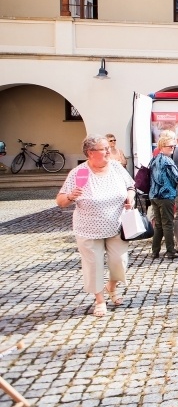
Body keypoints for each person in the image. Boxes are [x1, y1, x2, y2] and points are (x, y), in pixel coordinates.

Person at [56, 134, 135, 317]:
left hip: (117, 226)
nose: (109, 151)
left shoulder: (116, 167)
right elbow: (60, 201)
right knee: (93, 266)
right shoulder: (79, 173)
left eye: (108, 147)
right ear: (90, 153)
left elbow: (131, 186)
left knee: (120, 263)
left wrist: (129, 197)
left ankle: (111, 286)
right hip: (88, 229)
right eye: (104, 148)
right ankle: (100, 299)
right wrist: (70, 197)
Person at [149, 131, 178, 259]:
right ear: (162, 147)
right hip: (166, 195)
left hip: (154, 195)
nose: (173, 149)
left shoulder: (154, 159)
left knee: (158, 224)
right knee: (167, 224)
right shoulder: (168, 161)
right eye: (170, 147)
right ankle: (170, 251)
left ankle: (155, 251)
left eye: (173, 146)